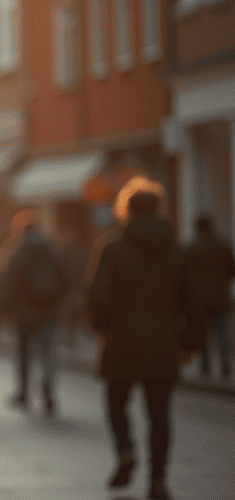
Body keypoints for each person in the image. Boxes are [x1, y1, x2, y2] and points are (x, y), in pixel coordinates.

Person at [86, 177, 203, 500]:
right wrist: (189, 343)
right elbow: (192, 302)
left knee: (115, 404)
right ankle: (158, 480)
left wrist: (102, 329)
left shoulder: (112, 248)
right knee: (159, 413)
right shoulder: (178, 251)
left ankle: (125, 450)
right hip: (162, 342)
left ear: (126, 210)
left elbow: (97, 296)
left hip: (120, 341)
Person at [0, 211, 70, 417]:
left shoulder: (18, 252)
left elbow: (10, 284)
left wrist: (4, 308)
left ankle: (23, 393)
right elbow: (66, 281)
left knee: (22, 354)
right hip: (50, 312)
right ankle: (48, 387)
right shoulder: (53, 251)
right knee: (48, 353)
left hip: (24, 314)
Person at [186, 213, 234, 380]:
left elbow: (187, 276)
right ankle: (225, 364)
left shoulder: (192, 248)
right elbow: (231, 270)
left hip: (200, 300)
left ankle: (205, 367)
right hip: (221, 298)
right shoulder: (223, 245)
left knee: (204, 336)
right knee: (222, 334)